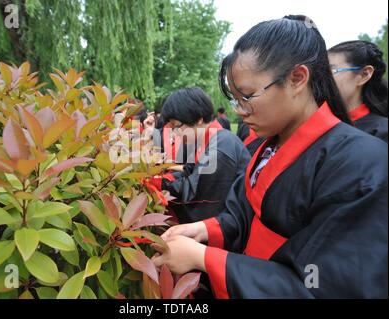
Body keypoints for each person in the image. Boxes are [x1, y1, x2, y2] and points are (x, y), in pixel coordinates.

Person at [152, 15, 388, 298]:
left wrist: (205, 259)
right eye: (235, 100)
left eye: (248, 96)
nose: (239, 110)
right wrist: (204, 230)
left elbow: (321, 285)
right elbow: (243, 216)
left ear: (297, 78)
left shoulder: (361, 163)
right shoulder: (266, 147)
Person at [145, 87, 251, 224]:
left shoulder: (221, 147)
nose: (174, 133)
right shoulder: (202, 140)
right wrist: (160, 179)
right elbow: (189, 171)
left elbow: (196, 193)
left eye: (176, 126)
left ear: (198, 119)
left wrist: (157, 183)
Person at [328, 40, 388, 142]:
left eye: (332, 71)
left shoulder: (382, 132)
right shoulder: (324, 124)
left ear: (364, 74)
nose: (322, 78)